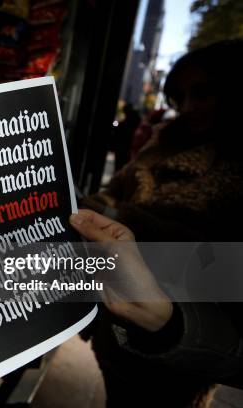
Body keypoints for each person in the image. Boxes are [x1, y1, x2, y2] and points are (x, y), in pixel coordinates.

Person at [77, 39, 243, 407]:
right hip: (118, 325)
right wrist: (93, 207)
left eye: (202, 94)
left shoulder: (235, 171)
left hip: (178, 352)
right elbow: (116, 190)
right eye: (178, 97)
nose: (187, 108)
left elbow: (215, 261)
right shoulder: (162, 144)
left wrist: (124, 220)